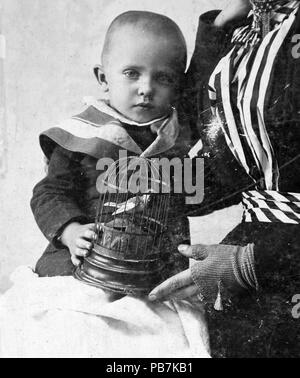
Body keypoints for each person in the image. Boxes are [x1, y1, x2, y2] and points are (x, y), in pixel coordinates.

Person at [149, 0, 300, 357]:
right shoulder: (250, 26)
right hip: (247, 250)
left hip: (274, 256)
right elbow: (227, 160)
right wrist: (118, 184)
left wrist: (247, 263)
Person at [30, 10, 190, 277]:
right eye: (132, 73)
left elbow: (201, 77)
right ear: (103, 78)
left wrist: (218, 26)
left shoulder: (171, 133)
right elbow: (49, 193)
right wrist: (71, 232)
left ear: (178, 87)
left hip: (151, 273)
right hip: (82, 262)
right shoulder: (82, 134)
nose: (146, 88)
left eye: (164, 78)